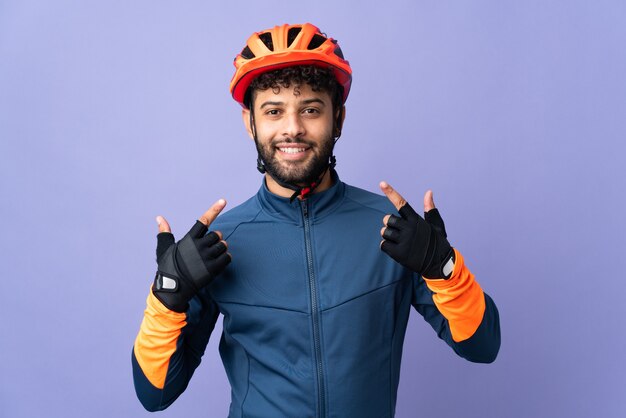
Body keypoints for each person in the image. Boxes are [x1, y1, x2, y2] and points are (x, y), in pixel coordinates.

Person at [132, 23, 500, 417]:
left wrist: (443, 267)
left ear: (337, 119)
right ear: (250, 123)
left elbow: (481, 346)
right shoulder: (218, 244)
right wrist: (166, 296)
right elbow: (156, 395)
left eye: (310, 109)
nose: (293, 128)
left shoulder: (393, 230)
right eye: (274, 111)